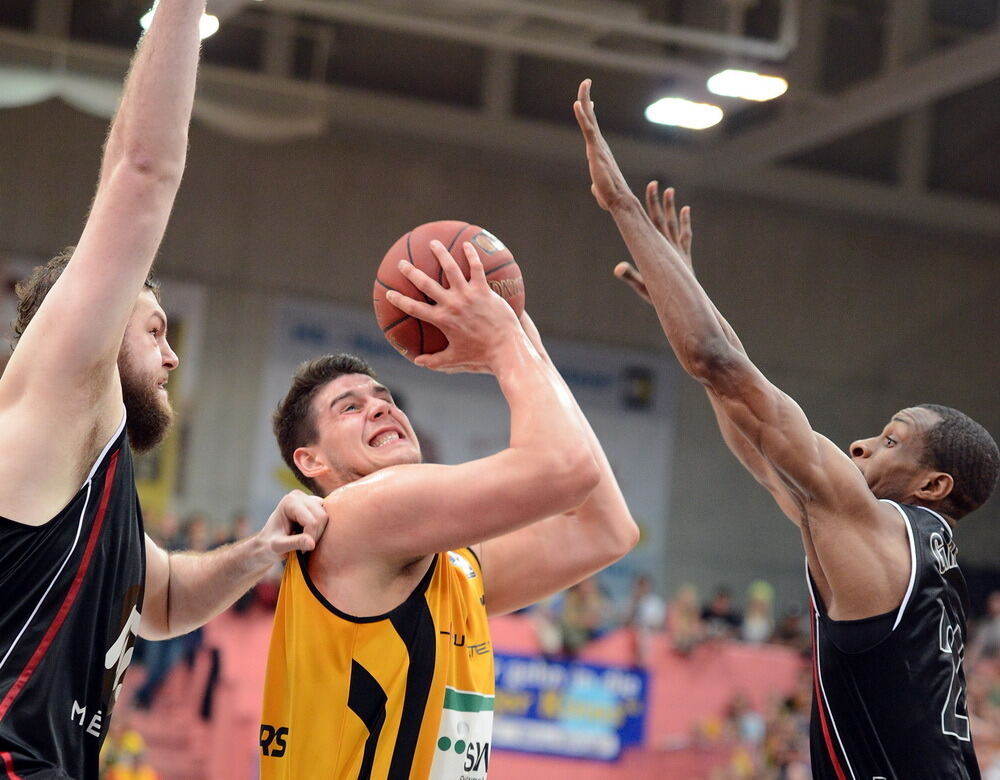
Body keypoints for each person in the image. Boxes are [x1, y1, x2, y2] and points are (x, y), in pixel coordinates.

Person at [574, 78, 1000, 778]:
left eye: (892, 439)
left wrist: (622, 206)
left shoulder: (875, 529)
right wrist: (683, 289)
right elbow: (749, 424)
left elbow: (720, 365)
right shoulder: (910, 553)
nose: (862, 444)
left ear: (934, 481)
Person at [0, 3, 327, 778]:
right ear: (95, 324)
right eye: (155, 330)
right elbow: (140, 173)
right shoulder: (55, 390)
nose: (173, 357)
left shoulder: (85, 477)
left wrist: (259, 550)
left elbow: (167, 597)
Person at [260, 240, 638, 779]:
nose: (380, 406)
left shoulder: (452, 563)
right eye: (351, 407)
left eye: (383, 396)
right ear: (311, 460)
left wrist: (525, 345)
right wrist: (505, 343)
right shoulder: (359, 515)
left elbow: (606, 531)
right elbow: (565, 470)